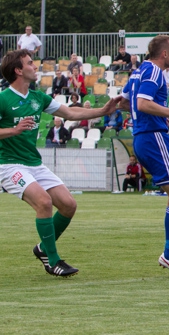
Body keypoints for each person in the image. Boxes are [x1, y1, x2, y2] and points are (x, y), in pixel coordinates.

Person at [0, 48, 119, 277]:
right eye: (29, 63)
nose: (35, 67)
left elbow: (70, 113)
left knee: (68, 205)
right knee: (44, 202)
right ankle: (52, 260)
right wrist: (13, 130)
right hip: (8, 165)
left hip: (33, 163)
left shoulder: (38, 98)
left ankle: (43, 248)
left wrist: (103, 110)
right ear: (18, 70)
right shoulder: (3, 99)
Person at [119, 35, 169, 278]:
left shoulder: (138, 72)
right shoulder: (155, 72)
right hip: (153, 137)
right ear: (164, 54)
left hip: (146, 136)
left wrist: (156, 114)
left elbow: (126, 102)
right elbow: (143, 104)